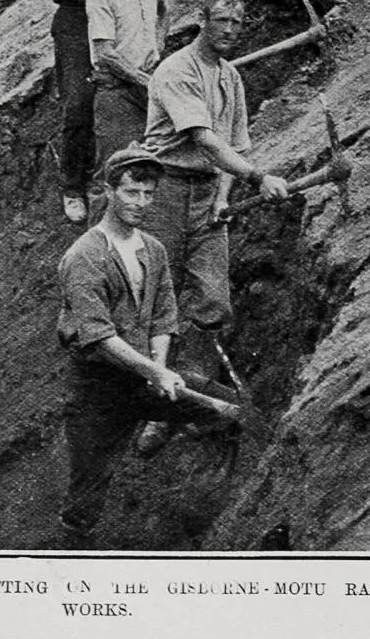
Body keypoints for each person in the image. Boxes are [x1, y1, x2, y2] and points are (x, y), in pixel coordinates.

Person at [137, 0, 288, 455]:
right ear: (202, 21)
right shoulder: (176, 70)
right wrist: (257, 177)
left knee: (213, 301)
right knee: (156, 300)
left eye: (237, 23)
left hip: (206, 193)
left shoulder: (230, 77)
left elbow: (232, 147)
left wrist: (223, 197)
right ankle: (159, 409)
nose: (229, 30)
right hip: (163, 190)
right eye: (221, 20)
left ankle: (192, 399)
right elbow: (203, 139)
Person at [57, 147, 231, 544]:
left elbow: (163, 318)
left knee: (226, 409)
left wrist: (159, 367)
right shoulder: (84, 256)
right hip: (97, 389)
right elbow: (99, 336)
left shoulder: (153, 250)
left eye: (148, 194)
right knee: (86, 495)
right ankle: (73, 556)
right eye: (131, 192)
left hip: (144, 380)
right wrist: (154, 371)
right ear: (108, 191)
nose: (141, 202)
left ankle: (208, 505)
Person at [46, 0, 204, 224]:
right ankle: (73, 186)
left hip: (113, 12)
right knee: (79, 103)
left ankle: (134, 181)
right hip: (75, 18)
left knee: (133, 94)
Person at [87, 0, 169, 177]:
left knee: (154, 163)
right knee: (115, 166)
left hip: (146, 85)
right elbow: (105, 54)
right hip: (116, 90)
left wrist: (158, 44)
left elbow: (164, 12)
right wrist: (142, 79)